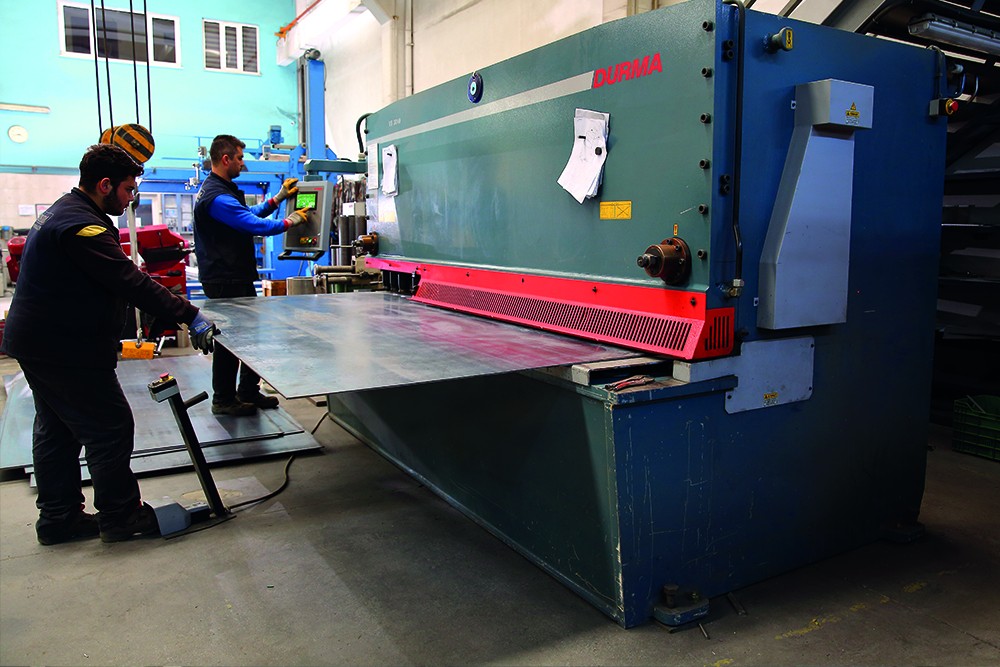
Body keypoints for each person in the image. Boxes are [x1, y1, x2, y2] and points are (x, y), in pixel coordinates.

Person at [0, 143, 218, 545]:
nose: (131, 198)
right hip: (63, 347)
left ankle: (59, 519)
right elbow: (128, 281)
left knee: (57, 430)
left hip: (39, 341)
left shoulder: (66, 212)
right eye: (128, 189)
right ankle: (121, 515)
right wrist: (190, 315)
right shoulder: (82, 226)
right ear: (104, 185)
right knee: (109, 426)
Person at [192, 134, 310, 416]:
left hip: (232, 275)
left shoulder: (221, 190)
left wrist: (277, 199)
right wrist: (289, 221)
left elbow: (247, 212)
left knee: (248, 336)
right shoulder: (217, 197)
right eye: (239, 158)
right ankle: (224, 399)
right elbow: (253, 224)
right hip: (225, 278)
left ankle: (247, 390)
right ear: (225, 159)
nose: (242, 163)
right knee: (230, 340)